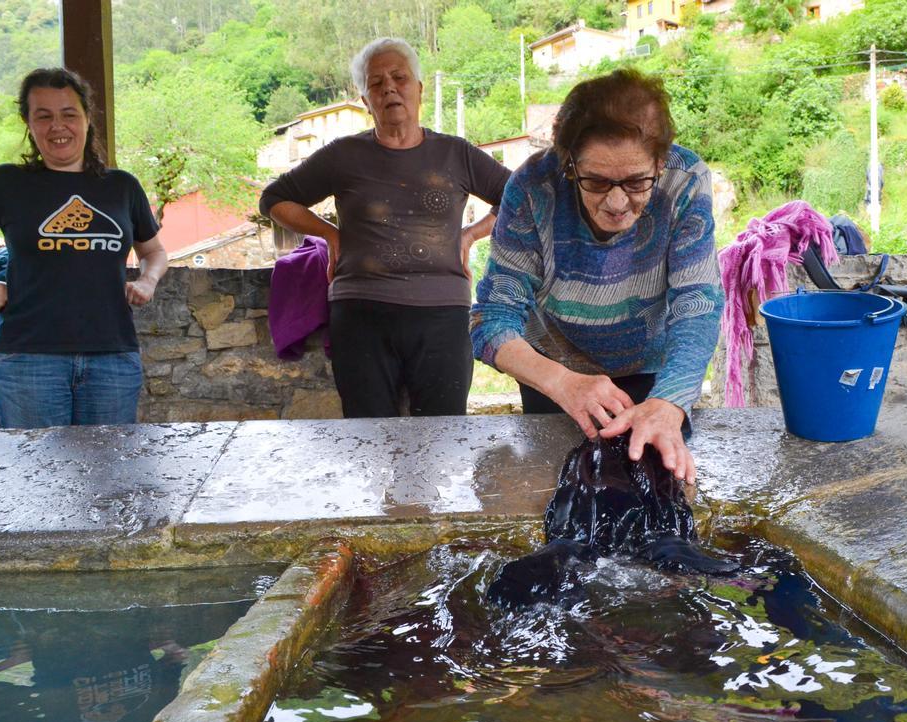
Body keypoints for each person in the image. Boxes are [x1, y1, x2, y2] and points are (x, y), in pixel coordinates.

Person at [470, 69, 724, 484]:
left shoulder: (685, 183)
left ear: (661, 162)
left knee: (657, 492)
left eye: (638, 181)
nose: (618, 202)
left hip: (651, 369)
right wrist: (562, 383)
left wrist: (669, 402)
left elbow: (697, 305)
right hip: (554, 372)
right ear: (568, 165)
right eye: (597, 181)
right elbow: (491, 320)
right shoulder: (533, 188)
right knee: (558, 490)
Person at [259, 37, 511, 418]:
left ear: (419, 89)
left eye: (399, 77)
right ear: (365, 101)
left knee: (444, 438)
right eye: (376, 83)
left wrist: (471, 234)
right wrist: (330, 234)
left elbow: (519, 197)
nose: (389, 87)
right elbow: (275, 200)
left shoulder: (456, 154)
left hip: (442, 313)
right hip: (361, 314)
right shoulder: (343, 155)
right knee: (367, 438)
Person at [0, 68, 167, 429]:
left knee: (108, 475)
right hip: (28, 361)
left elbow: (154, 251)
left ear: (87, 119)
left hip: (112, 358)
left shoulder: (122, 187)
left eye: (68, 114)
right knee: (35, 479)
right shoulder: (5, 183)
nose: (57, 126)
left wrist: (148, 282)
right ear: (28, 123)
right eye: (43, 116)